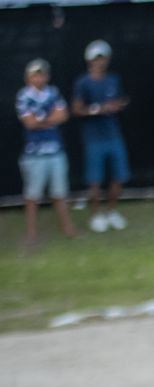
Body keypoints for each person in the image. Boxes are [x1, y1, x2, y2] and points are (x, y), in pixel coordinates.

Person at [15, 59, 77, 246]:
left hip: (56, 152)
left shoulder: (54, 92)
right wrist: (49, 120)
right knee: (32, 195)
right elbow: (29, 122)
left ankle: (67, 228)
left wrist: (41, 119)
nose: (39, 78)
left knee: (60, 193)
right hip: (34, 155)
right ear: (28, 77)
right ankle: (32, 232)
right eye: (35, 74)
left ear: (47, 76)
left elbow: (63, 115)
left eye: (42, 74)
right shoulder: (23, 96)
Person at [71, 40, 130, 233]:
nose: (100, 62)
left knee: (119, 177)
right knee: (95, 180)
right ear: (90, 60)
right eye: (97, 58)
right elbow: (77, 109)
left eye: (103, 58)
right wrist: (98, 109)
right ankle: (96, 215)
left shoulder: (114, 80)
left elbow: (120, 101)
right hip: (93, 138)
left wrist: (118, 105)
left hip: (114, 135)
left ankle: (111, 212)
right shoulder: (82, 82)